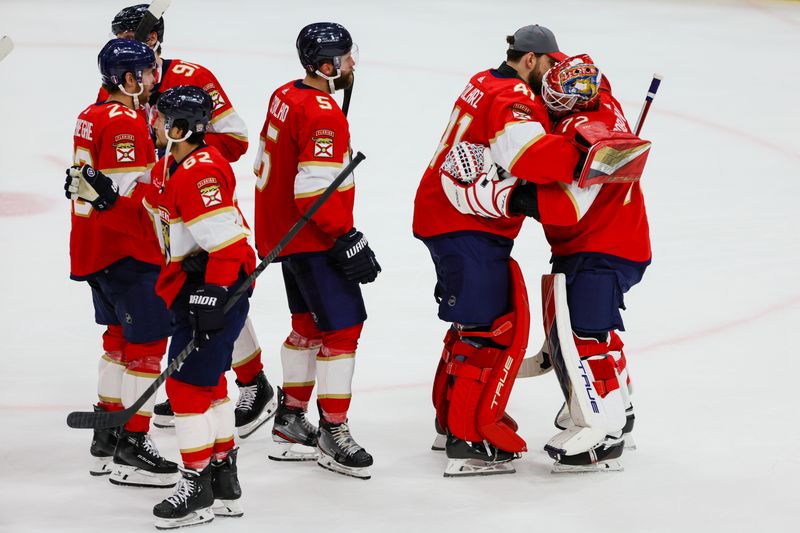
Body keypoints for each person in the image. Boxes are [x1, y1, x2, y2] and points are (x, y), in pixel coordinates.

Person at [445, 54, 651, 472]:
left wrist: (497, 197)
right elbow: (580, 73)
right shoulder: (603, 101)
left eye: (556, 98)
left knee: (587, 337)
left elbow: (569, 206)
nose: (548, 103)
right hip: (613, 245)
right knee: (595, 334)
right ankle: (620, 413)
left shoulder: (581, 130)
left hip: (600, 250)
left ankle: (605, 434)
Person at [67, 85, 254, 528]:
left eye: (159, 118)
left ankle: (197, 487)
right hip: (199, 286)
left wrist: (215, 293)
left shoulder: (200, 172)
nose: (151, 123)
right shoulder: (169, 165)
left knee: (188, 391)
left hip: (215, 289)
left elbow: (229, 244)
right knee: (211, 387)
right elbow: (145, 217)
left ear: (181, 127)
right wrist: (106, 200)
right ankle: (224, 480)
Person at [412, 24, 582, 477]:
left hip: (446, 216)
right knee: (491, 332)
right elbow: (530, 155)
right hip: (464, 224)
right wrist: (581, 154)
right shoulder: (515, 96)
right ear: (531, 60)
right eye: (548, 64)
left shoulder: (484, 80)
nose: (550, 74)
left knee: (474, 327)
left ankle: (450, 423)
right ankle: (470, 439)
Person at [106, 4, 275, 437]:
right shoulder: (123, 78)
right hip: (154, 205)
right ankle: (200, 384)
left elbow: (235, 139)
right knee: (182, 300)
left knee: (216, 294)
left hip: (195, 202)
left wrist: (186, 160)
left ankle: (252, 383)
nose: (121, 47)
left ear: (152, 40)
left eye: (130, 39)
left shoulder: (191, 77)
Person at [252, 22, 380, 479]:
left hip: (289, 237)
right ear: (326, 66)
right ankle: (333, 430)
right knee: (343, 331)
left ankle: (289, 421)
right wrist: (345, 235)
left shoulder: (286, 94)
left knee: (306, 327)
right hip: (312, 237)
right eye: (345, 57)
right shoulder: (323, 112)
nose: (351, 64)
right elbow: (314, 192)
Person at [68, 38, 178, 487]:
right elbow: (126, 202)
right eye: (149, 73)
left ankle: (107, 434)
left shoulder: (89, 115)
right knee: (148, 347)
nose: (155, 79)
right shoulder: (127, 124)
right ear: (129, 79)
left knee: (117, 339)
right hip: (128, 252)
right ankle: (132, 442)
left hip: (94, 249)